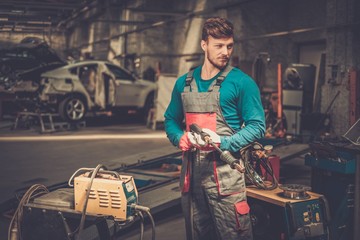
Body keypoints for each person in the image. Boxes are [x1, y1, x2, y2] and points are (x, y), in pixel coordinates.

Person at [164, 17, 265, 240]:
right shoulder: (183, 83)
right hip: (192, 181)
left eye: (229, 46)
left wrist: (222, 141)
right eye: (218, 46)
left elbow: (258, 126)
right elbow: (170, 119)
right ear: (204, 45)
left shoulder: (242, 82)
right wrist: (179, 137)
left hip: (227, 181)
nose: (225, 52)